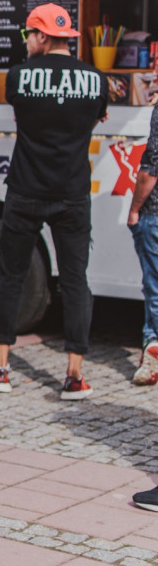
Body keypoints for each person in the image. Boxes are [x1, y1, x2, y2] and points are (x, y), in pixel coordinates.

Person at [0, 4, 107, 399]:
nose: (27, 42)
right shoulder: (95, 79)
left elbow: (25, 114)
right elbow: (94, 119)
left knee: (11, 277)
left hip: (25, 189)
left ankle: (1, 368)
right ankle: (74, 375)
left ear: (41, 36)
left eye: (28, 36)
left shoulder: (18, 77)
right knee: (75, 282)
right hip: (72, 192)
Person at [129, 103, 158, 386]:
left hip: (156, 212)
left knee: (155, 286)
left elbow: (151, 169)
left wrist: (134, 208)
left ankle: (152, 355)